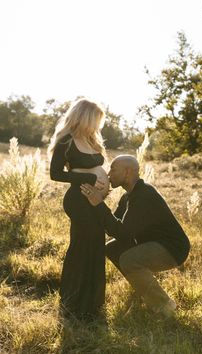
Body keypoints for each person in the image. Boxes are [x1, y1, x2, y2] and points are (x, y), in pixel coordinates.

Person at [80, 155, 191, 318]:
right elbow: (113, 228)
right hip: (152, 243)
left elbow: (124, 232)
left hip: (172, 248)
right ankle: (142, 291)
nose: (109, 174)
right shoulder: (127, 197)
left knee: (129, 260)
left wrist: (100, 204)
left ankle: (164, 306)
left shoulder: (144, 194)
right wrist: (96, 201)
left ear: (128, 172)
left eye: (113, 169)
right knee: (112, 248)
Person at [48, 97, 109, 321]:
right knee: (81, 246)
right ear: (84, 117)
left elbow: (98, 167)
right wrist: (89, 177)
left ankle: (93, 302)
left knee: (96, 246)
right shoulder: (66, 141)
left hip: (95, 199)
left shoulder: (92, 139)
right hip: (78, 200)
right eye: (95, 120)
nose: (98, 126)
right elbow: (55, 174)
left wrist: (105, 185)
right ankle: (72, 303)